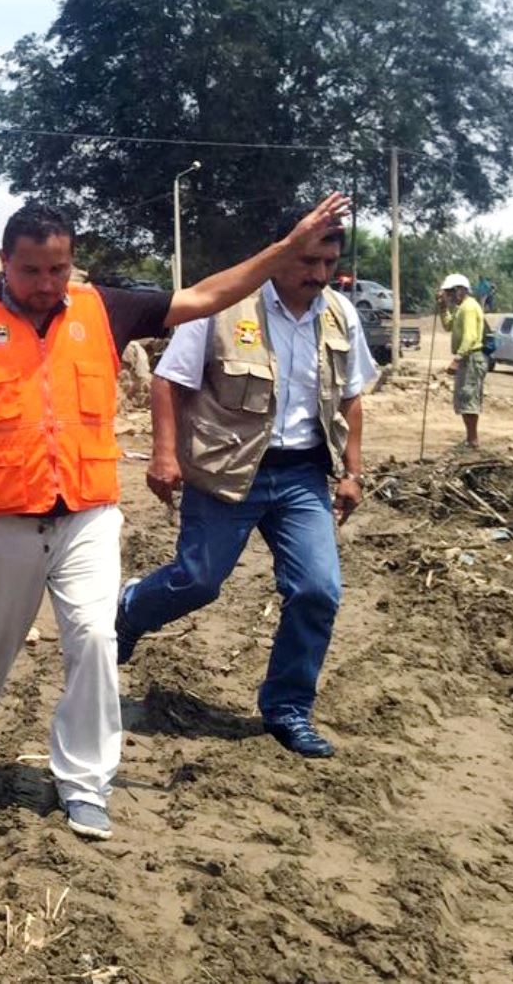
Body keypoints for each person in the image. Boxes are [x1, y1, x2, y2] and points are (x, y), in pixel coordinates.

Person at [0, 192, 349, 841]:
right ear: (4, 261)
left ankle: (86, 779)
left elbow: (205, 297)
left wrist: (289, 249)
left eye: (59, 270)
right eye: (32, 270)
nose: (45, 284)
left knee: (94, 637)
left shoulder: (104, 309)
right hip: (0, 515)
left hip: (87, 513)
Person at [117, 213, 375, 760]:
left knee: (317, 590)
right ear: (280, 252)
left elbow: (352, 395)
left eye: (329, 262)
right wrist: (164, 455)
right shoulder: (224, 307)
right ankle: (132, 609)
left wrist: (352, 473)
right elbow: (169, 381)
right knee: (198, 580)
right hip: (227, 470)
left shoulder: (339, 315)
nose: (320, 274)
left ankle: (287, 708)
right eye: (309, 261)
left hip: (303, 472)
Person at [436, 274, 487, 449]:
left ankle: (472, 440)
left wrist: (457, 358)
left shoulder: (469, 308)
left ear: (461, 290)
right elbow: (448, 325)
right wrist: (443, 308)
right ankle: (470, 439)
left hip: (471, 358)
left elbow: (470, 337)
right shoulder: (461, 308)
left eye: (451, 292)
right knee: (464, 398)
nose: (449, 295)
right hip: (467, 358)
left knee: (469, 397)